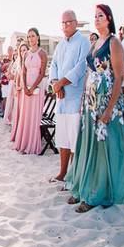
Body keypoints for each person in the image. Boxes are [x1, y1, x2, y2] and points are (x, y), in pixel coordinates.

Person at [65, 4, 124, 213]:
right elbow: (89, 73)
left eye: (100, 15)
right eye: (94, 16)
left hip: (106, 104)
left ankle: (96, 194)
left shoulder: (114, 43)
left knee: (103, 150)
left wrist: (110, 109)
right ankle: (84, 188)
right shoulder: (94, 44)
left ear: (109, 18)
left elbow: (119, 77)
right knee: (88, 146)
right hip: (90, 105)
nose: (96, 19)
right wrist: (84, 99)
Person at [48, 10, 89, 183]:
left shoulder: (83, 42)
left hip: (75, 99)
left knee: (74, 140)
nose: (65, 25)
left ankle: (73, 176)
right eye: (63, 23)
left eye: (68, 22)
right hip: (61, 98)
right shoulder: (60, 44)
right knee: (62, 138)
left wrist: (62, 83)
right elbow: (53, 65)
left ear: (75, 22)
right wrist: (56, 83)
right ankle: (63, 173)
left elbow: (81, 68)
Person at [12, 28, 47, 154]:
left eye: (33, 36)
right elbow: (23, 71)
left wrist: (32, 88)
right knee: (25, 115)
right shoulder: (26, 54)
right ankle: (24, 143)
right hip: (26, 88)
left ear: (38, 37)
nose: (31, 38)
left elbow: (42, 73)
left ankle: (32, 145)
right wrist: (25, 88)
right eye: (29, 36)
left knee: (34, 116)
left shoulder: (42, 53)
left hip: (37, 89)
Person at [9, 43, 29, 134]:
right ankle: (19, 130)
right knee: (19, 110)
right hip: (19, 88)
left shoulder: (29, 61)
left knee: (26, 111)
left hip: (27, 87)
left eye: (24, 50)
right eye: (21, 50)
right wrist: (17, 86)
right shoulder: (19, 62)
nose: (22, 52)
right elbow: (17, 76)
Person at [0, 46, 14, 122]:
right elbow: (2, 69)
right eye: (8, 49)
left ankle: (11, 113)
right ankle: (4, 112)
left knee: (12, 98)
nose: (10, 51)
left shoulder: (15, 58)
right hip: (5, 81)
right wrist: (7, 64)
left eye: (11, 49)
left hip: (12, 81)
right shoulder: (4, 59)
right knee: (5, 97)